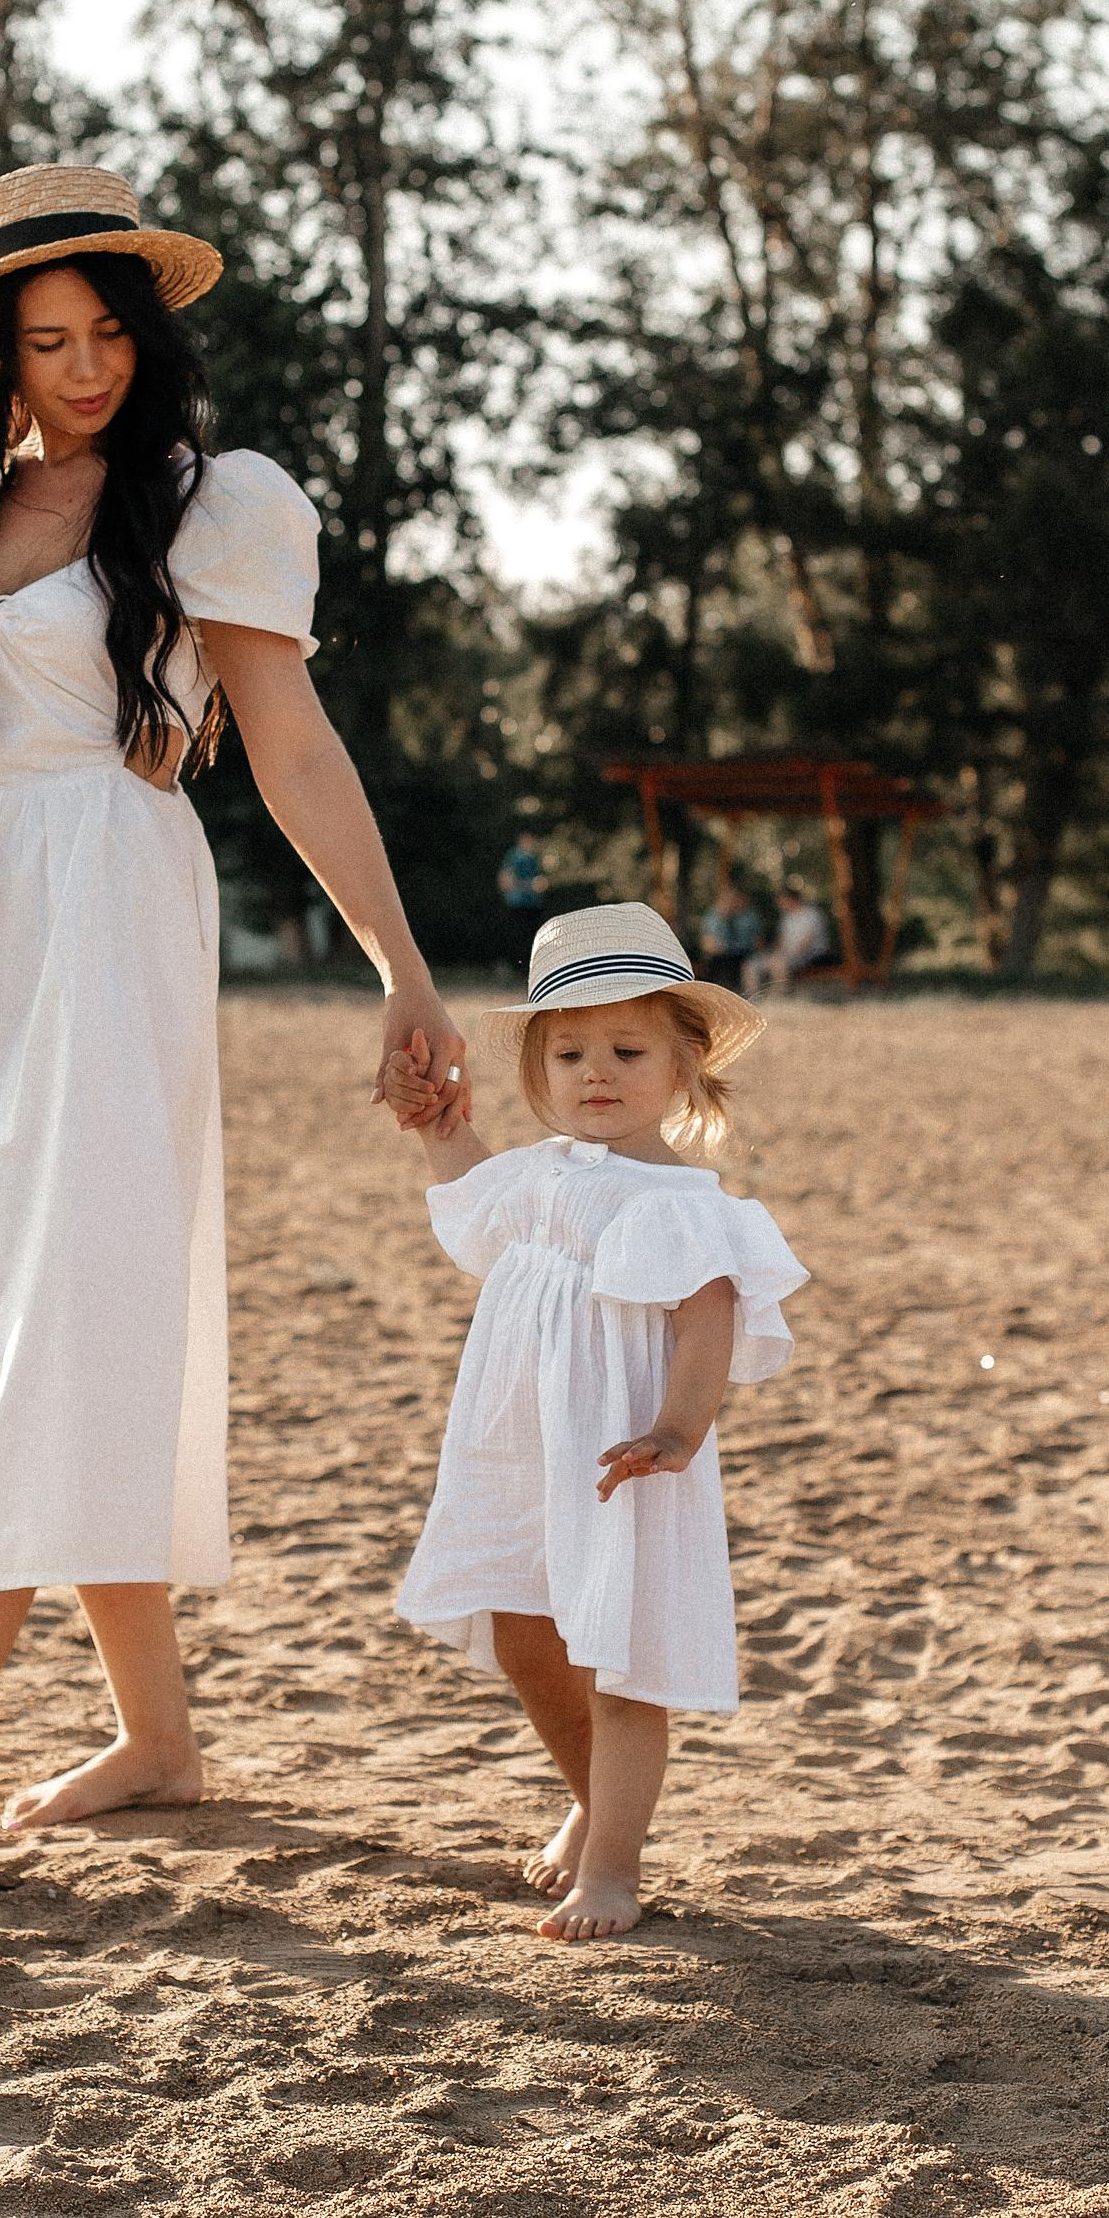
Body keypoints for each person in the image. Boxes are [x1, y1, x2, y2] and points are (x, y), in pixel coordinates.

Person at [0, 162, 468, 1910]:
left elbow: (294, 749)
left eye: (106, 336)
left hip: (100, 917)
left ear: (146, 338)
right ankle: (156, 1734)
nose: (82, 368)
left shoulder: (206, 502)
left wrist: (401, 963)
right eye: (45, 339)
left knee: (44, 1312)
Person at [378, 903, 806, 1941]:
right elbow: (474, 1208)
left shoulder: (676, 1198)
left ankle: (612, 1868)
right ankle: (587, 1797)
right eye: (568, 1052)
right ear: (536, 1069)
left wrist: (674, 1430)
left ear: (683, 1066)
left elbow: (707, 1315)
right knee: (525, 1631)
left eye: (626, 1049)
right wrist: (442, 1125)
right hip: (518, 1442)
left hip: (620, 1451)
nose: (595, 1072)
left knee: (615, 1653)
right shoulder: (538, 1173)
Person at [744, 880, 834, 999]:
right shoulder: (786, 918)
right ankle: (753, 998)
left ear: (790, 899)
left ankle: (779, 998)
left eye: (781, 901)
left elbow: (807, 942)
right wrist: (775, 953)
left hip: (811, 954)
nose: (779, 904)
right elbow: (781, 941)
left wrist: (785, 956)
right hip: (788, 954)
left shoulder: (811, 914)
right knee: (750, 965)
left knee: (778, 963)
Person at [698, 873, 761, 993]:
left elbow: (757, 940)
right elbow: (706, 940)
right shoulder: (712, 917)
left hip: (743, 954)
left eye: (733, 899)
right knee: (718, 960)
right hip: (720, 956)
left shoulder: (748, 916)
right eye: (727, 899)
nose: (731, 903)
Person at [497, 826, 546, 963]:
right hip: (517, 903)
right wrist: (530, 885)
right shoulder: (514, 856)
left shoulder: (536, 856)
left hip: (533, 904)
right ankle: (514, 965)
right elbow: (506, 881)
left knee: (531, 937)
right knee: (517, 936)